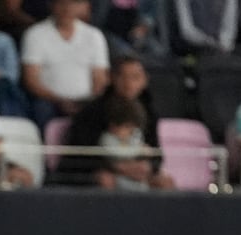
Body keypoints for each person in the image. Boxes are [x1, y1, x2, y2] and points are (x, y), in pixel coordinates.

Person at [62, 56, 172, 191]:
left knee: (164, 183)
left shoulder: (149, 111)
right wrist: (117, 167)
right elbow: (81, 154)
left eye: (135, 77)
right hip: (100, 171)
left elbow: (155, 152)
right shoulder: (92, 112)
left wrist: (147, 167)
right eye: (123, 77)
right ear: (112, 78)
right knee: (105, 180)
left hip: (136, 171)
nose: (129, 84)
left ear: (144, 81)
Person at [19, 0, 108, 128]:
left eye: (72, 3)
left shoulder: (94, 36)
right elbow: (31, 79)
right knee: (41, 108)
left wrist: (87, 101)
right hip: (49, 101)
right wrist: (59, 100)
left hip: (86, 102)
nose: (67, 8)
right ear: (52, 5)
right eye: (62, 3)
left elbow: (100, 78)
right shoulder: (35, 34)